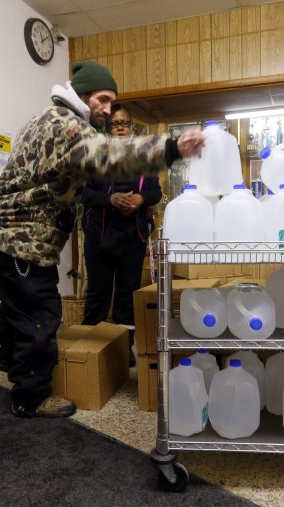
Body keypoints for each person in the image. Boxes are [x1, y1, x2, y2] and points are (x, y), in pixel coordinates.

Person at [0, 61, 204, 419]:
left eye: (111, 102)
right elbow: (108, 156)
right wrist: (172, 147)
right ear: (82, 94)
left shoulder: (49, 117)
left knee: (17, 302)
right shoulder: (65, 125)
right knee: (40, 312)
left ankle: (9, 359)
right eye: (102, 99)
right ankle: (31, 395)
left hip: (8, 229)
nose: (106, 108)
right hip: (23, 234)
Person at [80, 104, 162, 366]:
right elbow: (83, 194)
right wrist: (110, 198)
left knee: (127, 296)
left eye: (124, 123)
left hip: (132, 238)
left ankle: (123, 350)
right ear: (107, 127)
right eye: (114, 123)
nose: (120, 128)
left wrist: (139, 198)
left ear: (131, 127)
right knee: (98, 294)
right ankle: (88, 351)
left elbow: (155, 192)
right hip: (100, 238)